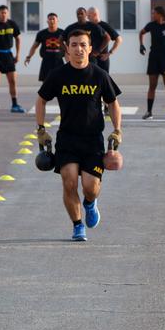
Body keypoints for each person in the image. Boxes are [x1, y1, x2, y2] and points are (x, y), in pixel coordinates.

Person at [35, 29, 122, 242]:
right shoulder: (58, 75)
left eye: (83, 44)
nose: (78, 49)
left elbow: (113, 103)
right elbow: (41, 100)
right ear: (67, 48)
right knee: (69, 181)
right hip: (67, 139)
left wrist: (117, 129)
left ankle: (90, 204)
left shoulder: (99, 75)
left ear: (90, 49)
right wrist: (41, 129)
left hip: (93, 140)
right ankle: (77, 225)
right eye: (74, 44)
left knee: (90, 187)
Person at [26, 12, 65, 83]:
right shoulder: (42, 33)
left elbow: (67, 48)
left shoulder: (62, 33)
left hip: (59, 62)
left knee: (61, 84)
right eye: (50, 19)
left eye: (53, 19)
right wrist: (29, 57)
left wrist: (70, 60)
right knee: (46, 85)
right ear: (47, 21)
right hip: (46, 62)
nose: (52, 21)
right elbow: (34, 47)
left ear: (57, 20)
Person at [87, 7, 123, 73]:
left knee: (103, 81)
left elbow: (119, 39)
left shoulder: (104, 25)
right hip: (90, 59)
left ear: (95, 14)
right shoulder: (88, 26)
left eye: (89, 16)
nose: (87, 18)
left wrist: (110, 53)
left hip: (102, 59)